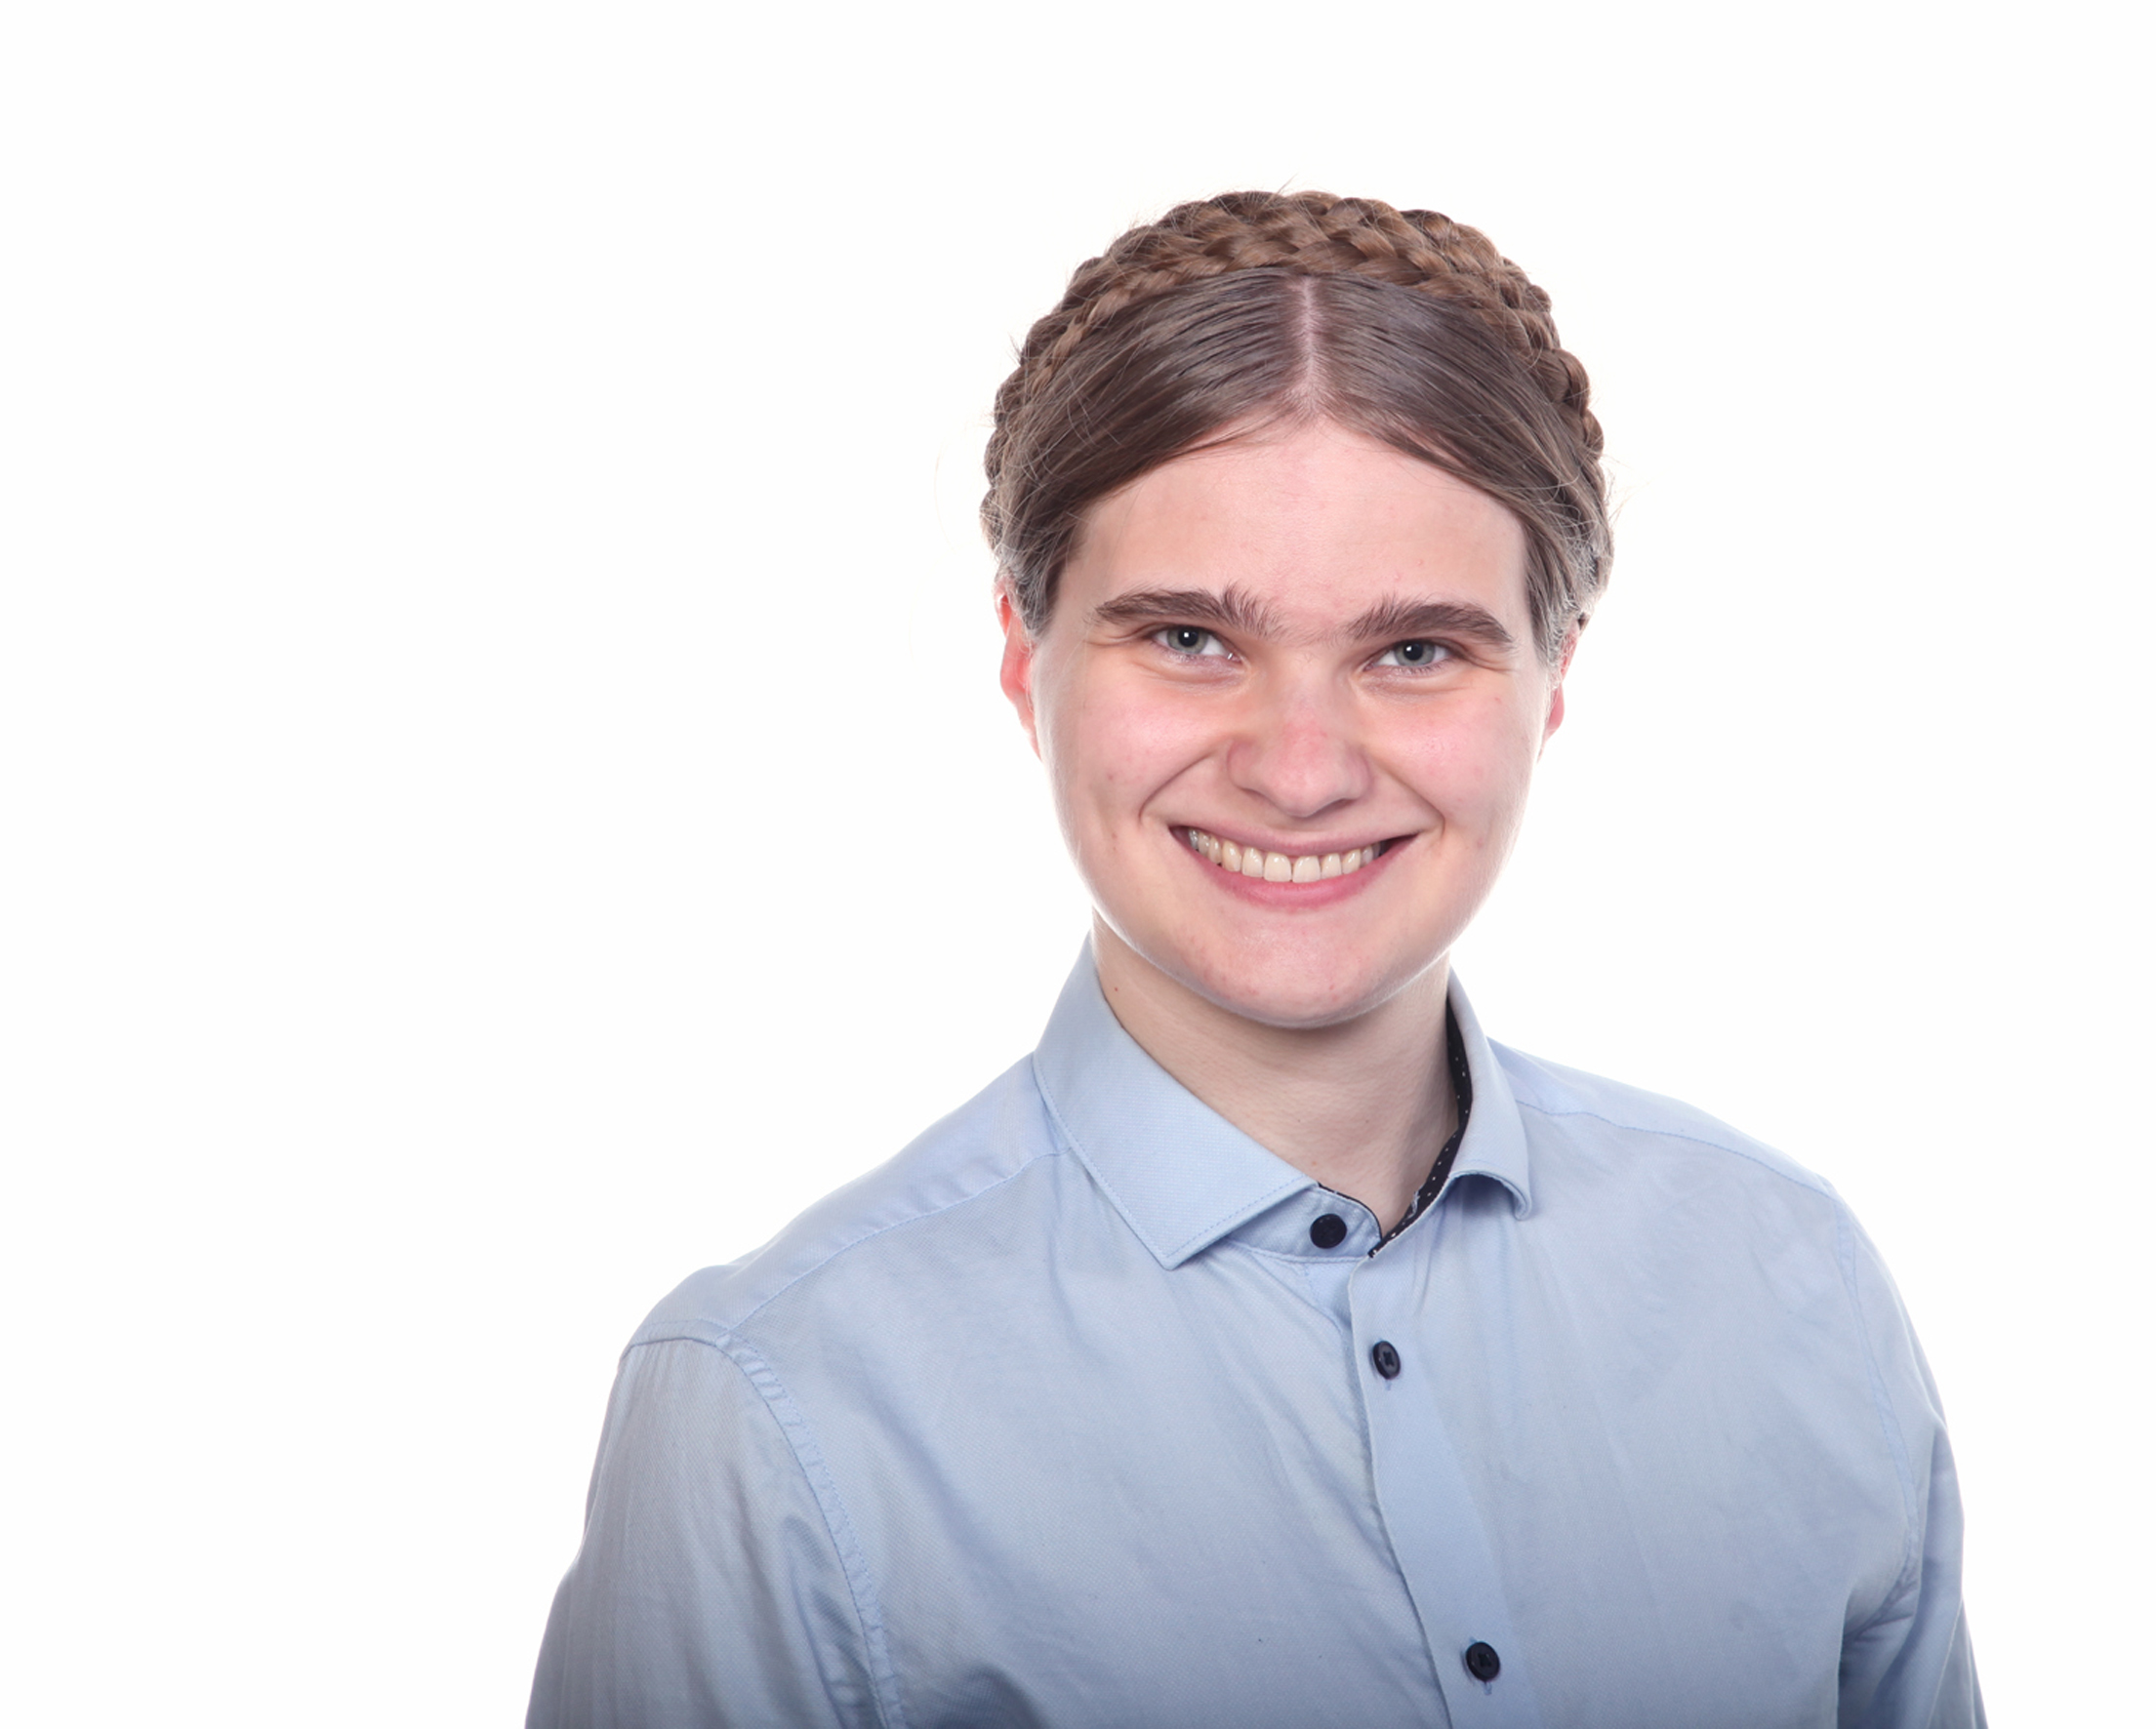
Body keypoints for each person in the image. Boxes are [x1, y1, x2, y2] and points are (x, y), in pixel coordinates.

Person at [528, 190, 1983, 1729]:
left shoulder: (1789, 1280)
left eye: (1412, 650)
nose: (1299, 771)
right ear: (1023, 656)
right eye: (1188, 640)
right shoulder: (771, 1409)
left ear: (1551, 678)